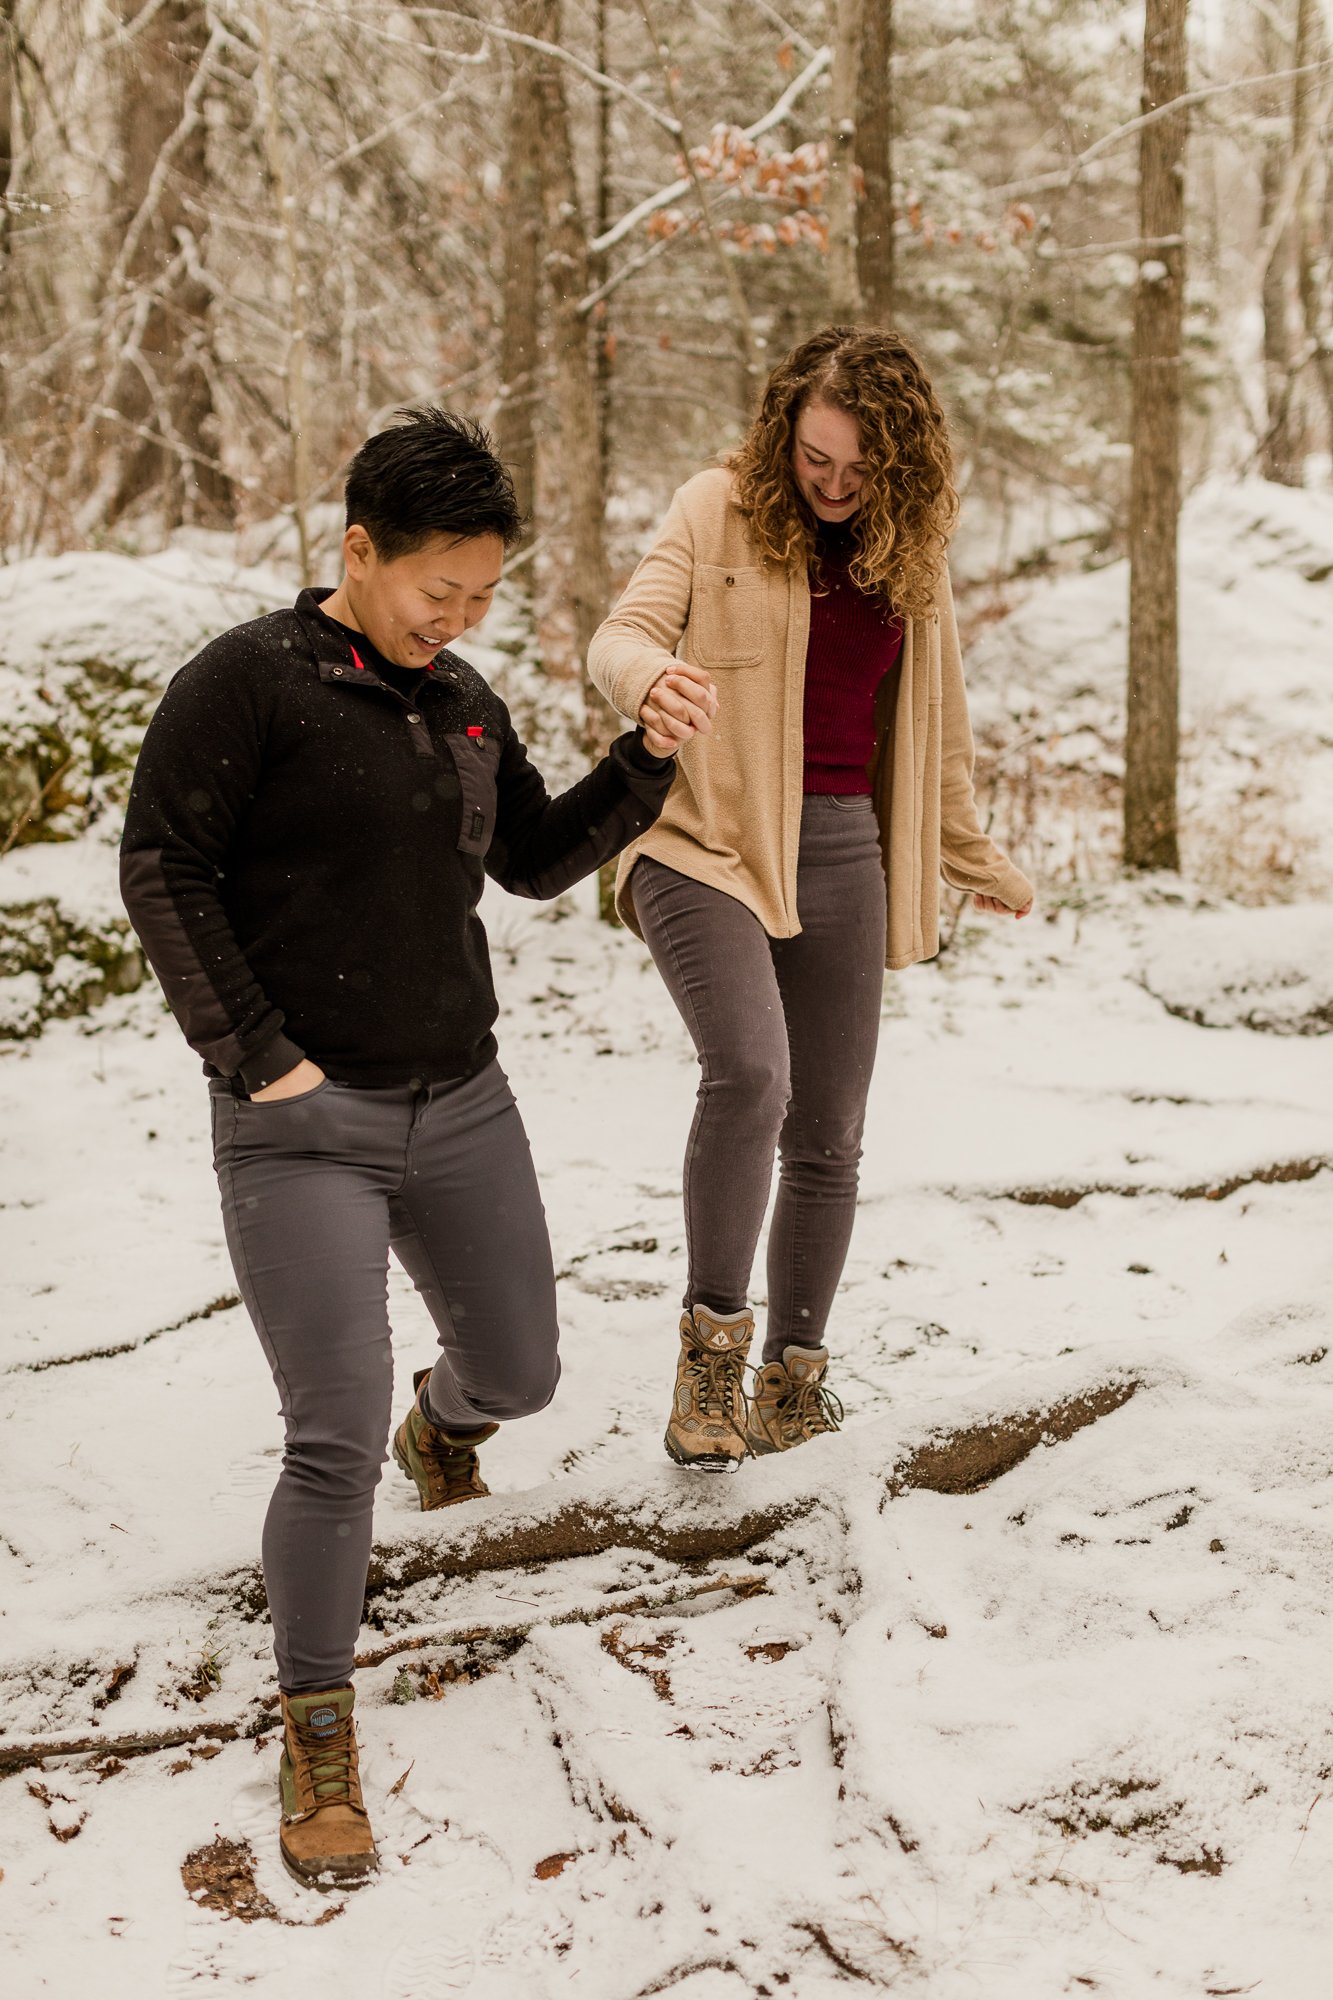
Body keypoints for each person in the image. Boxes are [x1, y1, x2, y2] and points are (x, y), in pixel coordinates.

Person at [119, 409, 713, 1891]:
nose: (456, 618)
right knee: (330, 1432)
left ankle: (445, 1429)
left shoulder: (463, 700)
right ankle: (318, 1717)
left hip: (461, 1098)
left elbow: (524, 862)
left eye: (482, 597)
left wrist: (640, 764)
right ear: (357, 550)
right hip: (297, 1127)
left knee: (522, 1373)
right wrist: (258, 1059)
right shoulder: (243, 685)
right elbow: (161, 867)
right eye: (434, 590)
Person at [587, 325, 1034, 1474]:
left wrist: (973, 856)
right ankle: (708, 1364)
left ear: (901, 461)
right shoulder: (714, 506)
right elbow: (622, 634)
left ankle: (793, 1383)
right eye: (814, 457)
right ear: (785, 430)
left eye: (856, 468)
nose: (830, 485)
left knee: (829, 1132)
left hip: (841, 846)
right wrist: (654, 682)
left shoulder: (909, 555)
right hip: (703, 841)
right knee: (751, 1072)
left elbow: (936, 733)